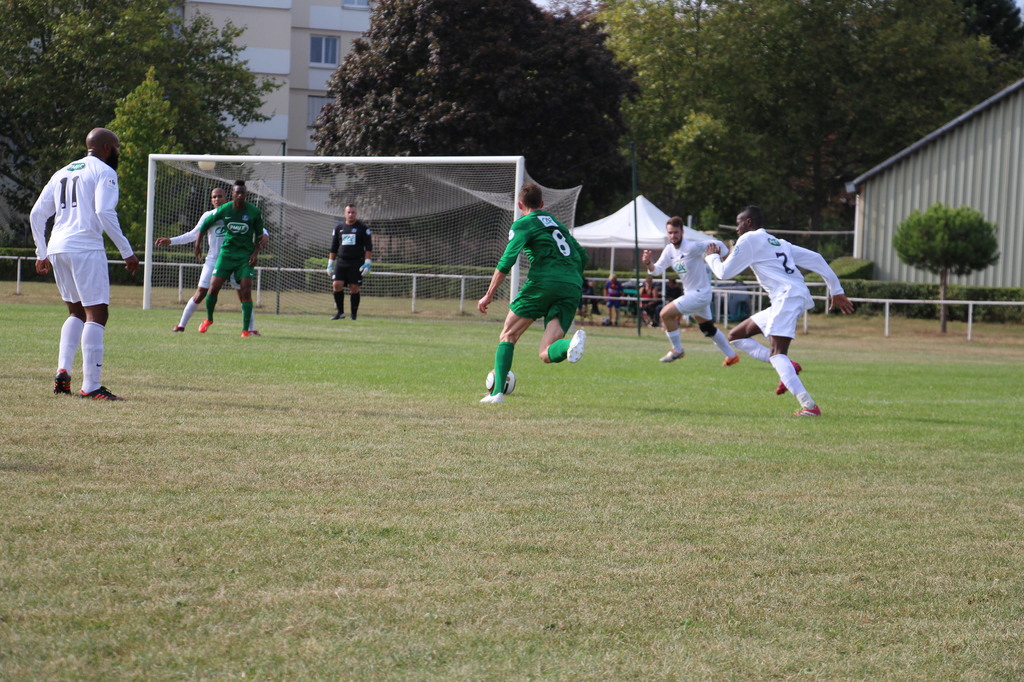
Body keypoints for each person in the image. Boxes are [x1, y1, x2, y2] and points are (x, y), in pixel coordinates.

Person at [705, 205, 855, 417]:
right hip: (787, 298)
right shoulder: (779, 243)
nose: (737, 228)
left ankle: (809, 407)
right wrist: (836, 290)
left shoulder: (748, 239)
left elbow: (723, 273)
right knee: (737, 336)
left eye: (739, 223)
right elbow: (818, 259)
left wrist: (711, 257)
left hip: (787, 297)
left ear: (748, 222)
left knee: (778, 354)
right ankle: (788, 367)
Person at [30, 127, 139, 400]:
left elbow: (36, 214)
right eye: (116, 147)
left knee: (76, 313)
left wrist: (41, 252)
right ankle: (91, 386)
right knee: (97, 314)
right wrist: (127, 251)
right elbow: (104, 211)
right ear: (105, 148)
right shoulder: (104, 171)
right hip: (85, 248)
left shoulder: (62, 172)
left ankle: (62, 372)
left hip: (57, 248)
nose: (117, 151)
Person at [477, 182, 588, 404]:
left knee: (508, 335)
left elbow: (507, 261)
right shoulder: (556, 224)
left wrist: (488, 294)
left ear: (520, 205)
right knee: (546, 353)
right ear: (542, 204)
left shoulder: (523, 224)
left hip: (543, 284)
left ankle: (497, 393)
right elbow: (582, 255)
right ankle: (568, 346)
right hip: (571, 285)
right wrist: (569, 277)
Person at [155, 187, 269, 334]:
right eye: (214, 197)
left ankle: (251, 329)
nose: (217, 199)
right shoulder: (208, 216)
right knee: (201, 292)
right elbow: (193, 234)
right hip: (213, 260)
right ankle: (181, 325)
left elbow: (259, 228)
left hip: (237, 259)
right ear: (211, 200)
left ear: (226, 198)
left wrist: (266, 234)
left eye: (220, 196)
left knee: (244, 294)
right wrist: (171, 240)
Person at [641, 216, 739, 365]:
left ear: (682, 232)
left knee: (665, 314)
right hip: (693, 294)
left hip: (700, 294)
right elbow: (656, 271)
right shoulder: (669, 250)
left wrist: (726, 260)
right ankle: (731, 356)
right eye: (670, 233)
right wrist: (648, 263)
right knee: (707, 328)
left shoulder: (691, 247)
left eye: (675, 232)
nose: (673, 236)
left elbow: (718, 243)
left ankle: (677, 350)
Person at [194, 179, 266, 337]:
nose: (240, 195)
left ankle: (245, 330)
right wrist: (198, 245)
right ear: (232, 194)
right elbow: (205, 225)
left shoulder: (253, 212)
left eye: (243, 193)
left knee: (246, 291)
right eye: (237, 192)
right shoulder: (225, 209)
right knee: (213, 288)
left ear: (246, 195)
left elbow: (261, 236)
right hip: (226, 255)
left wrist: (255, 254)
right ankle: (209, 319)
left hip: (244, 257)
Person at [328, 203, 373, 320]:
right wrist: (330, 264)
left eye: (353, 212)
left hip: (356, 262)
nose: (351, 214)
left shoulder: (363, 228)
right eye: (348, 212)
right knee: (336, 285)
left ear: (356, 214)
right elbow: (334, 247)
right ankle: (340, 313)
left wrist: (367, 263)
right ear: (345, 214)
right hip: (341, 261)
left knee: (354, 287)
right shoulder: (339, 228)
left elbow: (368, 247)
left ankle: (353, 315)